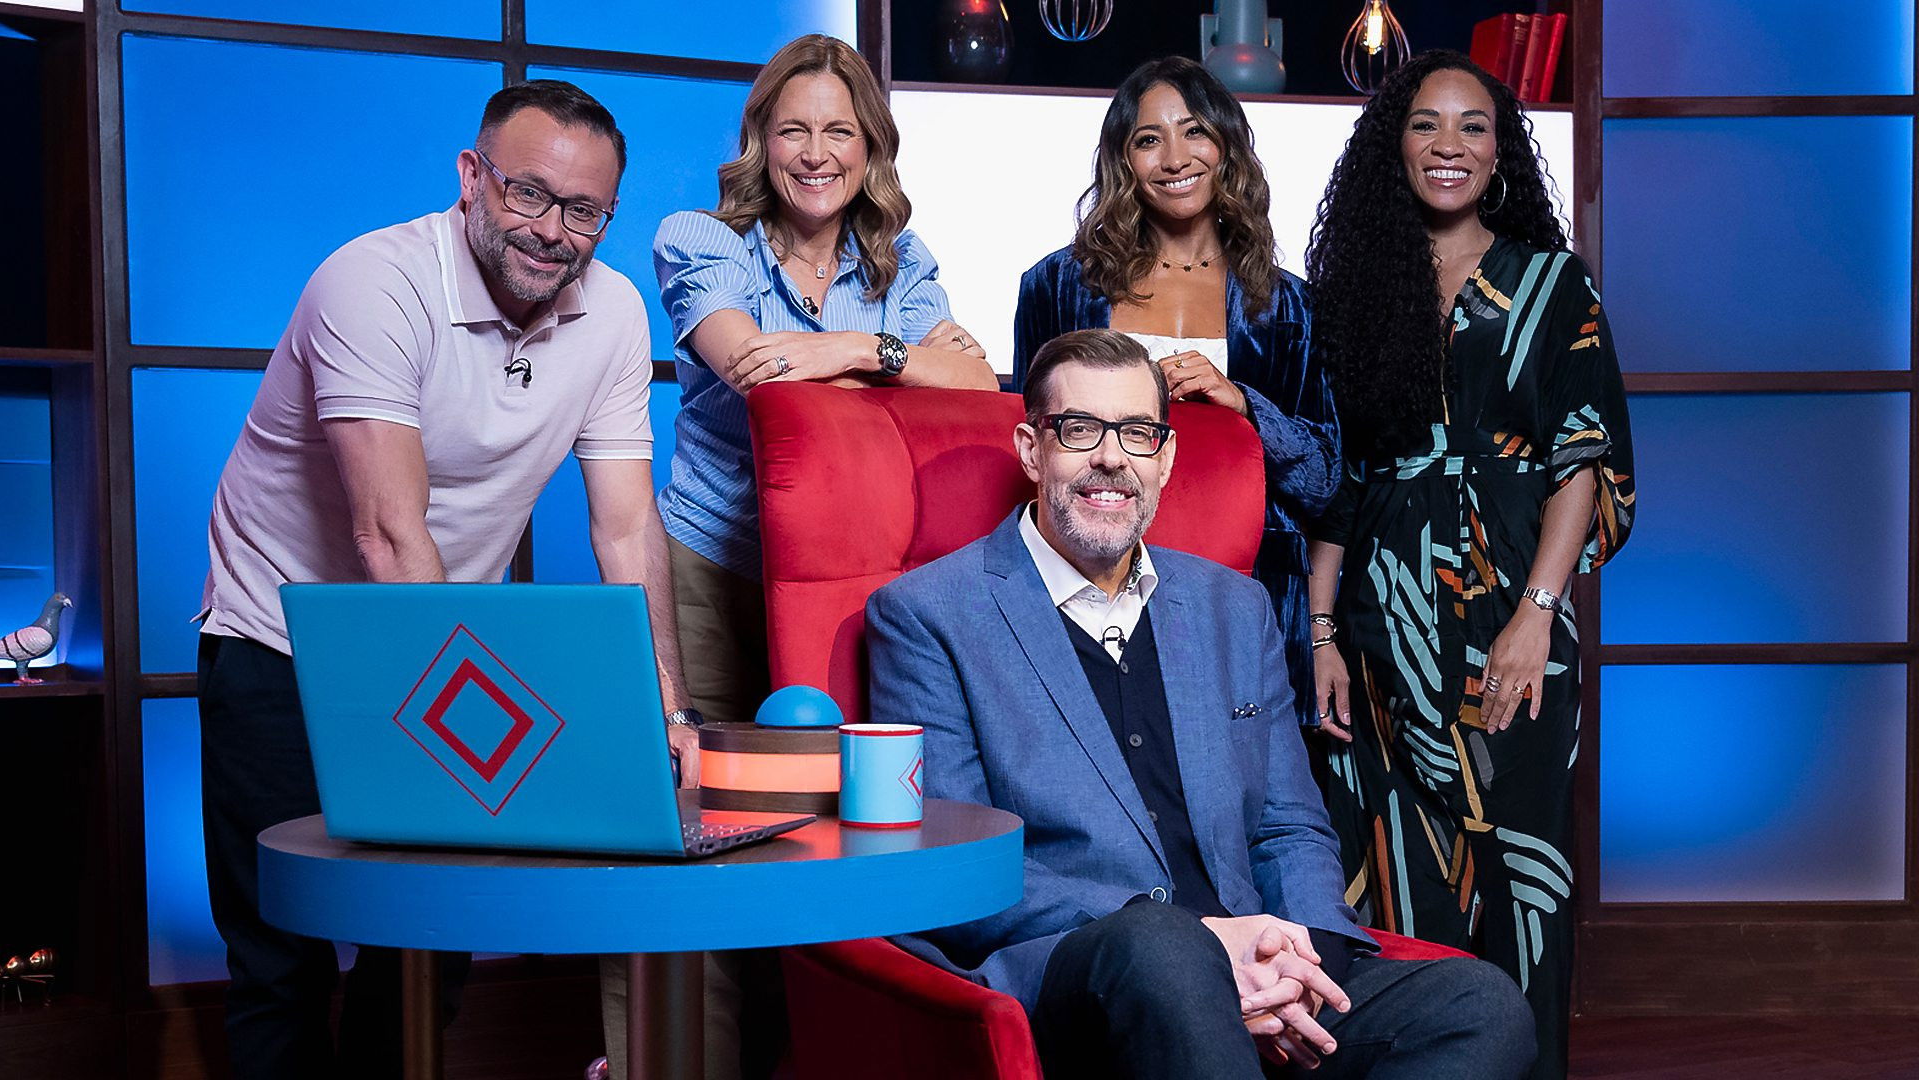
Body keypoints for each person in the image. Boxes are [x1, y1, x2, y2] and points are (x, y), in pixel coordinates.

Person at [194, 80, 697, 1080]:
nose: (552, 231)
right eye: (528, 193)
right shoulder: (373, 282)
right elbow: (388, 530)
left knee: (430, 946)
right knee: (282, 962)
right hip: (280, 639)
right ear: (472, 177)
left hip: (436, 635)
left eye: (584, 210)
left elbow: (627, 526)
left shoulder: (612, 314)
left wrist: (666, 712)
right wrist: (450, 737)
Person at [872, 329, 1536, 1080]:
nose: (1112, 458)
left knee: (1481, 1005)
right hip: (1086, 974)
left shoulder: (1234, 607)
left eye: (1138, 433)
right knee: (1163, 945)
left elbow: (1290, 826)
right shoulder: (930, 615)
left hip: (1255, 955)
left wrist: (1293, 961)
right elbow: (958, 867)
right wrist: (1208, 946)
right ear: (1031, 450)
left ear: (1166, 459)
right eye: (1080, 429)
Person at [632, 33, 996, 1080]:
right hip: (712, 566)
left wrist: (849, 348)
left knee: (829, 826)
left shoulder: (902, 263)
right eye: (793, 129)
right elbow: (758, 377)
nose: (815, 152)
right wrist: (899, 370)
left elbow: (978, 388)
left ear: (870, 147)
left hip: (845, 583)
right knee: (692, 825)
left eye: (840, 131)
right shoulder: (699, 238)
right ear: (761, 138)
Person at [1302, 51, 1635, 1080]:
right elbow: (1342, 477)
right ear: (1392, 147)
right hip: (1383, 622)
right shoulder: (1360, 291)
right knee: (1393, 867)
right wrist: (1321, 631)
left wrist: (1536, 614)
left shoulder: (1552, 282)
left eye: (1474, 126)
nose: (1449, 145)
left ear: (1500, 154)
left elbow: (1584, 458)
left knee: (1524, 871)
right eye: (1425, 125)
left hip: (1509, 612)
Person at [1013, 56, 1339, 732]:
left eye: (1194, 132)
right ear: (1122, 160)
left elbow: (1327, 482)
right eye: (1148, 139)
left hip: (1249, 591)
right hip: (1085, 582)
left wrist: (1244, 405)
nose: (1174, 158)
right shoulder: (1058, 286)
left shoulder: (1289, 307)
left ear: (1227, 146)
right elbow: (1022, 452)